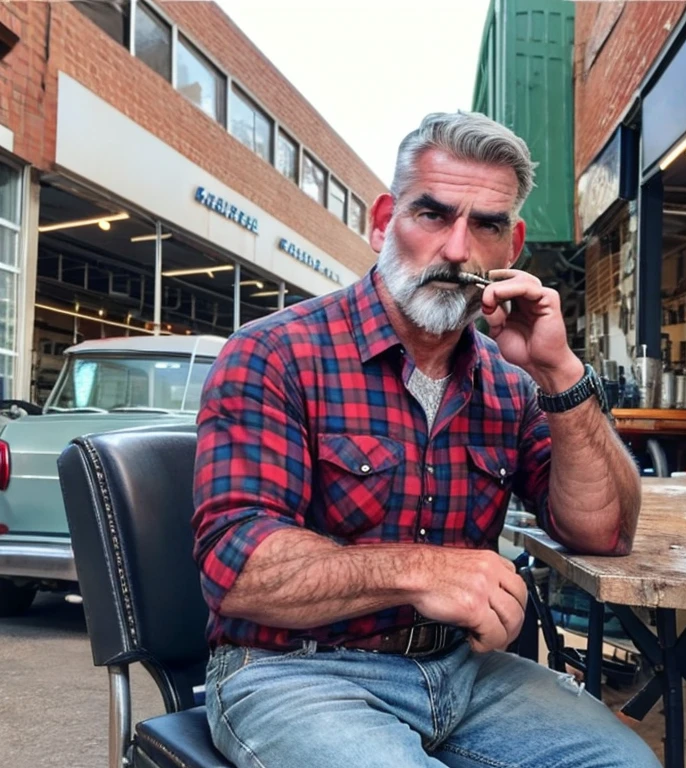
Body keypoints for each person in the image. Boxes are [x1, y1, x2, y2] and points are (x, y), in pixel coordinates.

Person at [193, 111, 660, 768]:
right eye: (432, 215)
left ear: (512, 246)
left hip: (465, 675)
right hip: (294, 673)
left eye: (486, 224)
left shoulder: (511, 383)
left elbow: (604, 533)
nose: (456, 249)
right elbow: (235, 567)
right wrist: (422, 571)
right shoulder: (276, 354)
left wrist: (560, 372)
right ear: (385, 219)